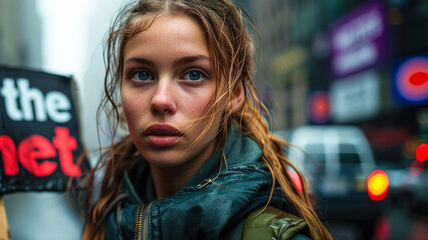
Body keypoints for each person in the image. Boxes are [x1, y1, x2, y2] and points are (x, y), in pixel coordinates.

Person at [71, 0, 333, 239]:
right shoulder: (109, 218)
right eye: (142, 75)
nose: (161, 100)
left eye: (194, 74)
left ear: (235, 94)